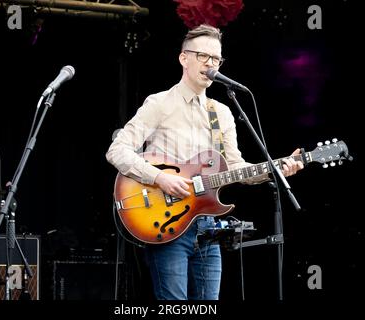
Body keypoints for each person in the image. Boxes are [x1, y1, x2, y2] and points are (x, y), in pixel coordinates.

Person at [106, 24, 303, 300]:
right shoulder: (159, 104)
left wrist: (275, 169)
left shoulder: (221, 113)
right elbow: (117, 150)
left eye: (216, 59)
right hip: (167, 221)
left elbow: (235, 168)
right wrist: (159, 177)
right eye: (203, 56)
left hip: (207, 226)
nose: (210, 64)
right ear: (183, 58)